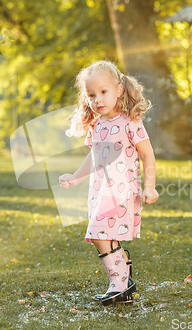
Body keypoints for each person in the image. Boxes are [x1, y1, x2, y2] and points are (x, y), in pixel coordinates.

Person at [59, 60, 159, 306]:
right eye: (92, 95)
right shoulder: (97, 124)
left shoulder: (130, 122)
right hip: (100, 190)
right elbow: (93, 158)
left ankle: (119, 283)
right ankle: (124, 285)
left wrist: (150, 185)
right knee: (107, 235)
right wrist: (75, 177)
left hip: (122, 189)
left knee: (98, 233)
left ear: (119, 90)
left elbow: (148, 155)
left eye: (103, 92)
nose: (98, 99)